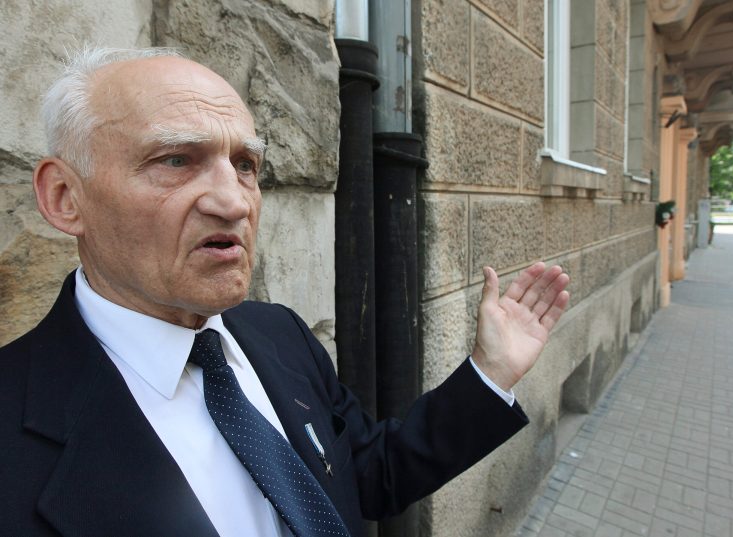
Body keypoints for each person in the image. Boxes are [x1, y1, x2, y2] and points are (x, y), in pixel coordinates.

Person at [0, 48, 570, 537]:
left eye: (245, 164)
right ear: (64, 197)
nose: (234, 202)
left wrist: (489, 374)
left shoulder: (277, 332)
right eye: (176, 159)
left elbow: (366, 476)